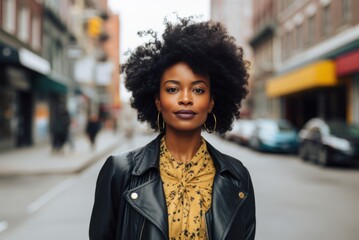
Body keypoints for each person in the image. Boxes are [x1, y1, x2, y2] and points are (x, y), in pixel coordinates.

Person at [89, 17, 256, 240]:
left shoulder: (238, 177)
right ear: (157, 100)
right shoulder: (120, 172)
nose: (185, 99)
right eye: (172, 89)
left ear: (212, 101)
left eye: (198, 90)